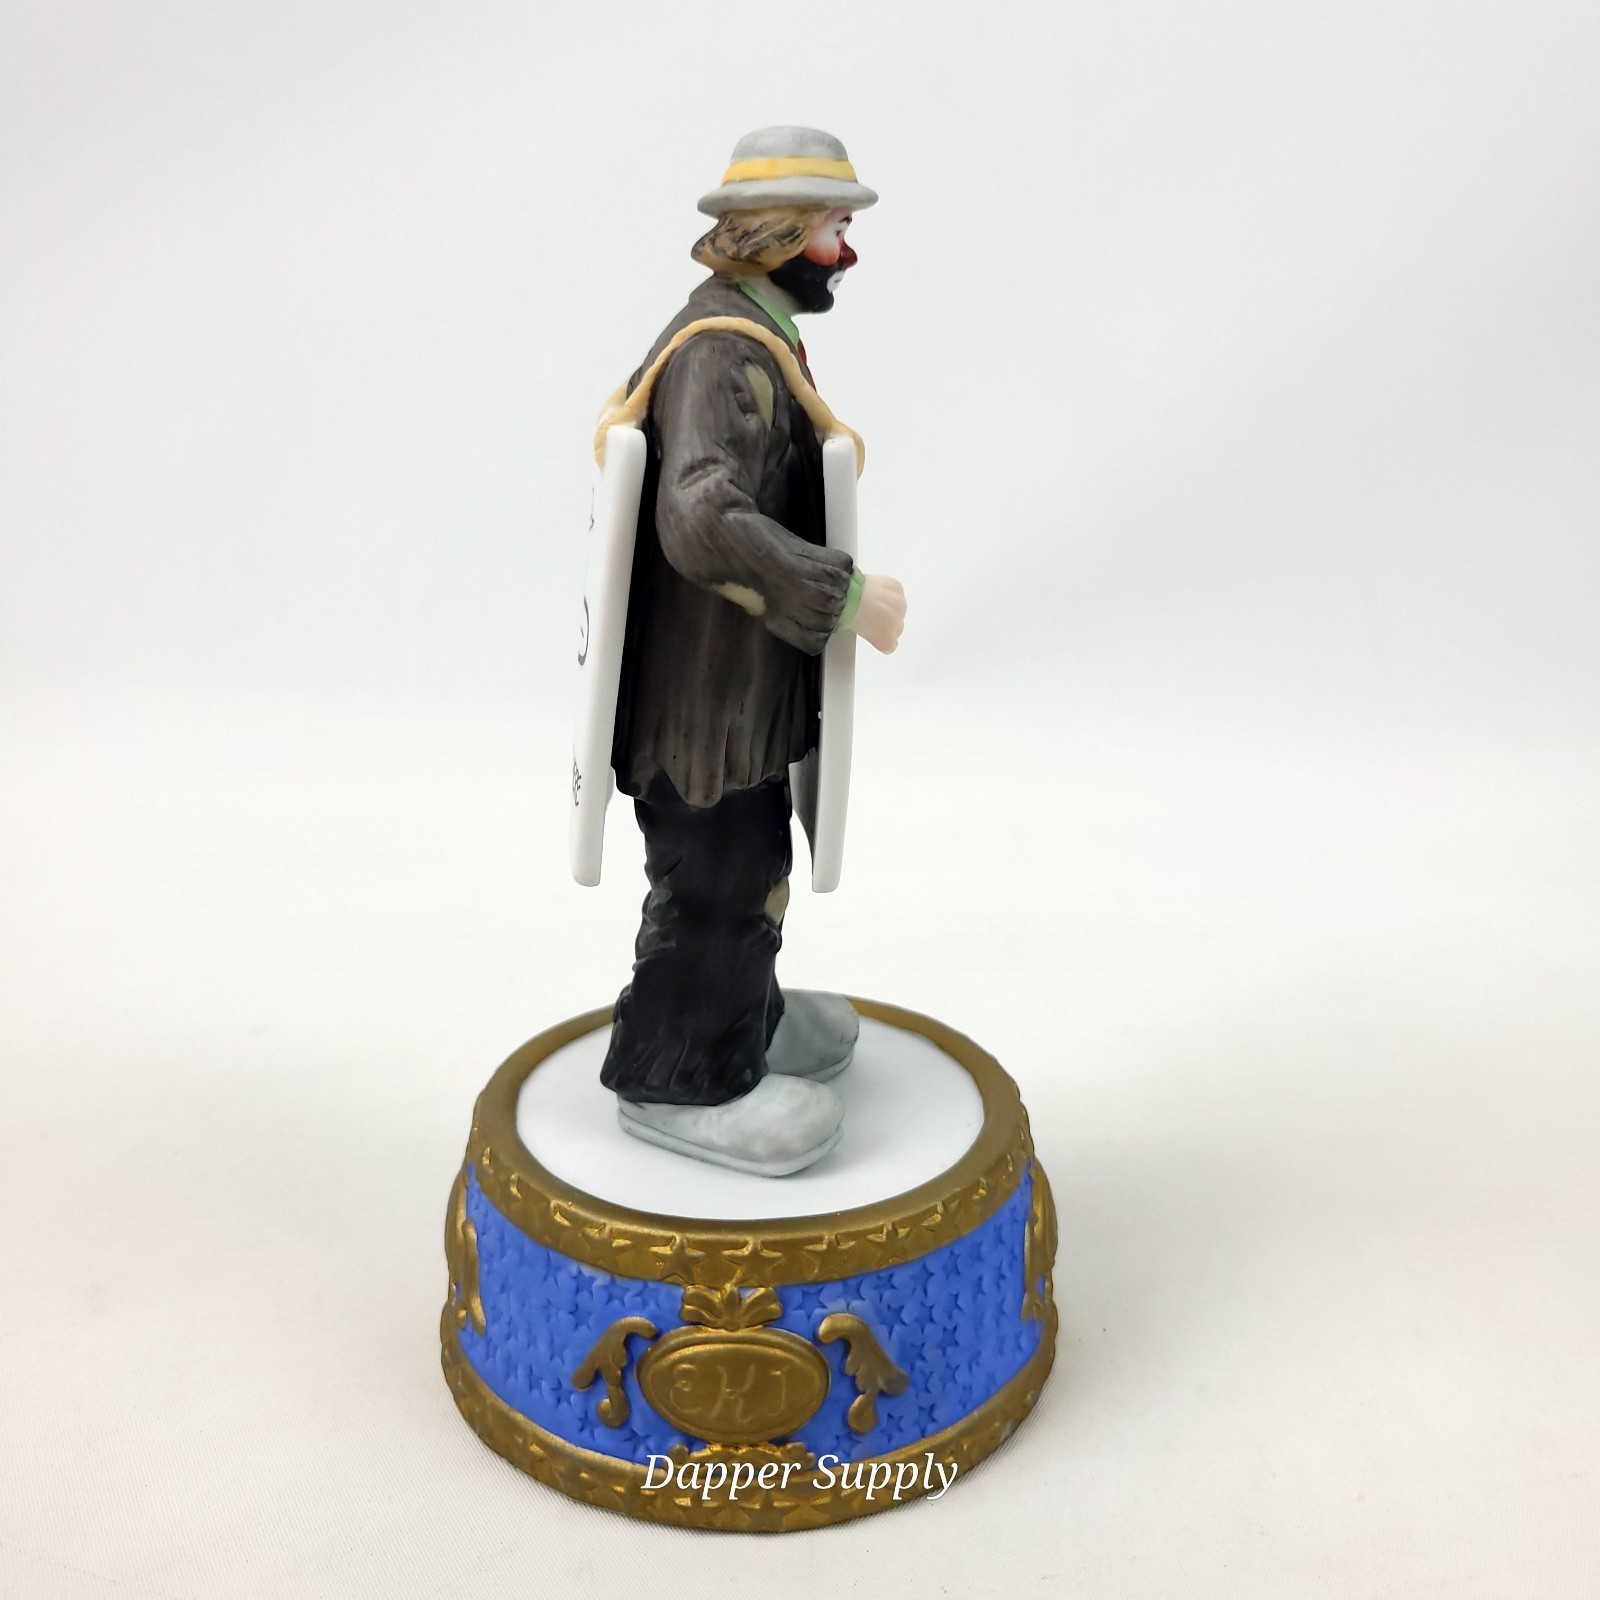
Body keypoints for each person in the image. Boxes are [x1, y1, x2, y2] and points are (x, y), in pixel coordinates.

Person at [598, 127, 907, 1177]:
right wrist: (844, 595)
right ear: (774, 235)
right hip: (703, 701)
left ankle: (748, 1015)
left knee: (747, 860)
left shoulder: (752, 336)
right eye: (832, 230)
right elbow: (698, 516)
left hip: (738, 684)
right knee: (718, 878)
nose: (845, 252)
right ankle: (677, 1074)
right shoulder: (722, 353)